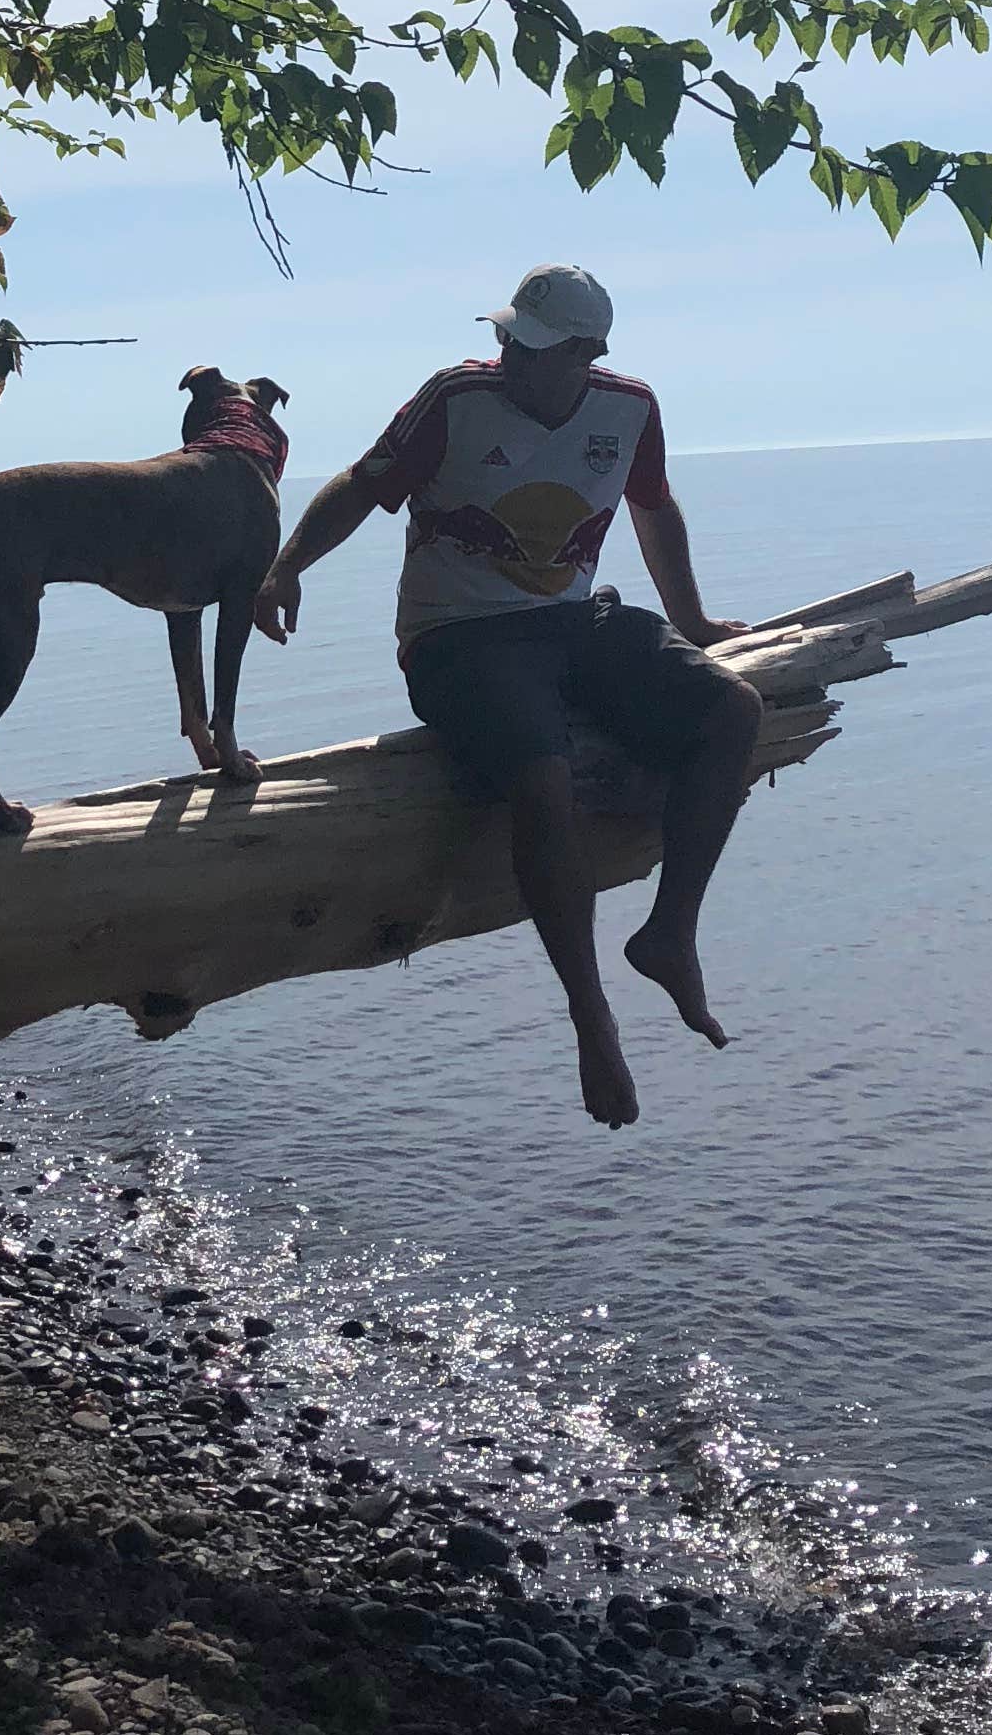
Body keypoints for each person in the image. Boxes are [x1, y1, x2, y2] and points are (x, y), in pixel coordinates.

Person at [252, 264, 765, 1129]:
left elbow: (653, 508)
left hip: (570, 622)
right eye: (506, 337)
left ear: (584, 353)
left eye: (528, 347)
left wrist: (694, 621)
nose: (506, 354)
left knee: (733, 712)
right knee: (542, 778)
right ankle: (590, 1016)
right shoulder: (456, 398)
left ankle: (670, 932)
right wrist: (283, 569)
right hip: (457, 638)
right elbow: (360, 485)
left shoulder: (628, 408)